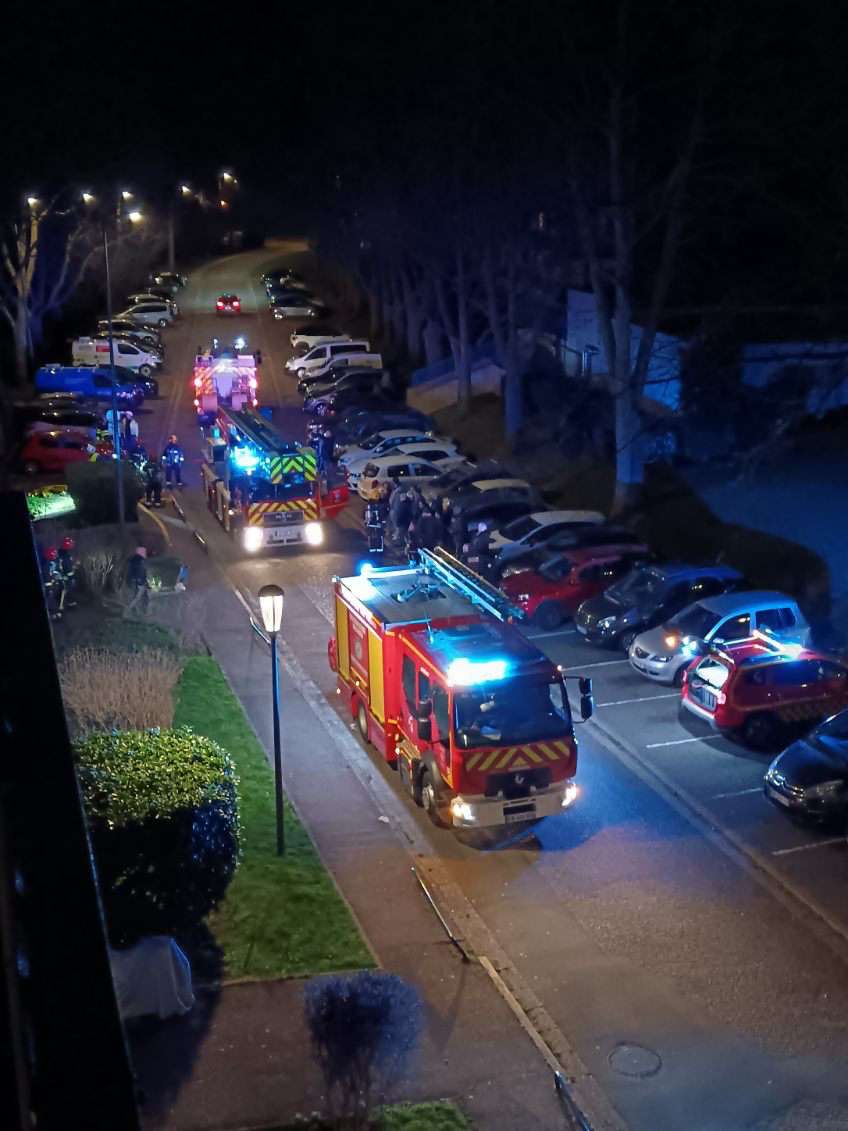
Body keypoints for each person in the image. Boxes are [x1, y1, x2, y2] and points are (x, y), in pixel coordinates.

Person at [125, 547, 150, 616]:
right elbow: (142, 572)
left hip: (133, 581)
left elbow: (130, 572)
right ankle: (129, 610)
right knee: (140, 597)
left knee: (136, 596)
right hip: (140, 582)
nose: (145, 553)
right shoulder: (141, 561)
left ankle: (137, 612)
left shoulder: (132, 559)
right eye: (144, 552)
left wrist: (130, 579)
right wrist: (143, 582)